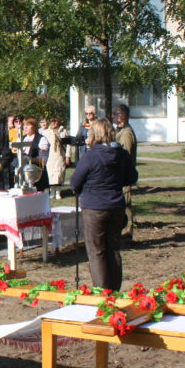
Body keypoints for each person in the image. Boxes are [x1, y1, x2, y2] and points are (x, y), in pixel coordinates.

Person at [70, 118, 138, 291]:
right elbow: (132, 177)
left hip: (94, 207)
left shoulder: (91, 155)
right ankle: (114, 290)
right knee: (113, 249)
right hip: (115, 205)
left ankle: (102, 292)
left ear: (95, 134)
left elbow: (75, 181)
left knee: (96, 251)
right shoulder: (121, 154)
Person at [112, 104, 138, 239]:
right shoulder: (120, 131)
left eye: (114, 114)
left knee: (125, 204)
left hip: (124, 175)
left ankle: (127, 233)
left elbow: (125, 156)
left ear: (121, 117)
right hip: (120, 176)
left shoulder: (126, 133)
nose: (112, 117)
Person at [18, 117, 50, 192]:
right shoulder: (21, 139)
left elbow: (43, 160)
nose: (25, 127)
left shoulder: (42, 139)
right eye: (24, 125)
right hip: (23, 174)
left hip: (37, 174)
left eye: (28, 125)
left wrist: (30, 159)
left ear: (35, 126)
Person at [43, 117, 68, 199]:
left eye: (55, 122)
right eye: (52, 121)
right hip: (50, 156)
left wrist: (68, 156)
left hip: (60, 155)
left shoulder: (63, 131)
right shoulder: (46, 132)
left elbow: (68, 145)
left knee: (59, 173)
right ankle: (52, 192)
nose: (53, 123)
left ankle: (58, 192)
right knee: (51, 174)